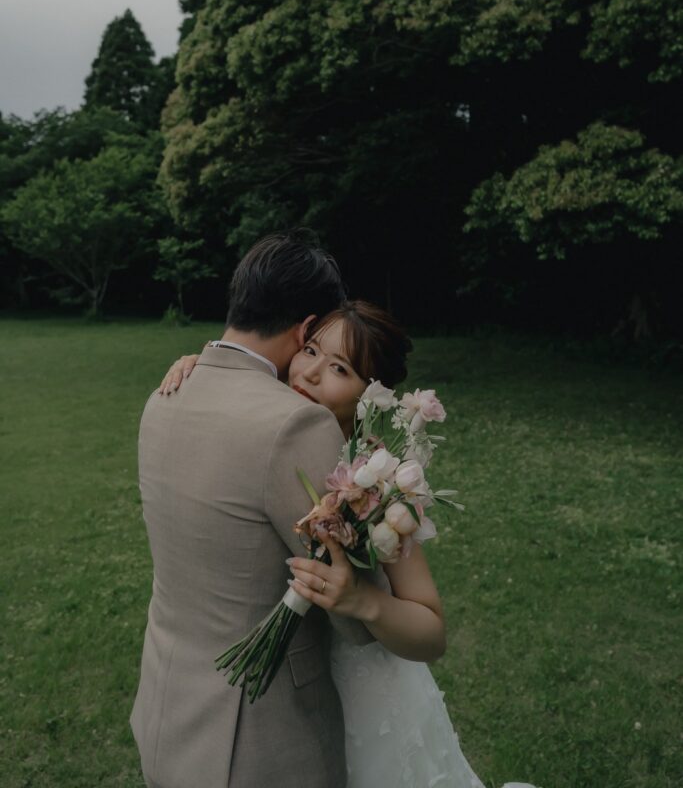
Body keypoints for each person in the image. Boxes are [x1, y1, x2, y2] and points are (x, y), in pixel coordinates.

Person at [158, 298, 539, 788]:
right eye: (311, 350)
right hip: (287, 711)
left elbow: (432, 633)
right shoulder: (271, 429)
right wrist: (201, 365)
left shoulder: (378, 483)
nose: (311, 373)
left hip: (367, 702)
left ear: (369, 396)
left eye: (339, 367)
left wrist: (363, 601)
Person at [131, 231, 385, 788]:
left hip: (162, 709)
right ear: (304, 329)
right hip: (256, 740)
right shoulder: (295, 423)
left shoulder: (165, 395)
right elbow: (357, 619)